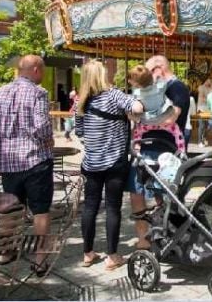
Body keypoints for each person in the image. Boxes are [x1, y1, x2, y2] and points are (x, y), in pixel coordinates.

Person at [0, 55, 54, 272]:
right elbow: (40, 127)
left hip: (8, 162)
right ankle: (40, 257)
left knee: (11, 209)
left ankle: (7, 251)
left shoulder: (0, 93)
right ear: (35, 69)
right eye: (42, 70)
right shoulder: (38, 93)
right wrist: (49, 139)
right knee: (40, 209)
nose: (42, 75)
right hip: (34, 160)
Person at [75, 59, 144, 271]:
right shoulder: (113, 94)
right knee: (113, 207)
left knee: (90, 207)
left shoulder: (81, 102)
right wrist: (132, 114)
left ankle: (88, 253)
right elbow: (137, 106)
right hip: (115, 161)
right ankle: (112, 256)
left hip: (91, 162)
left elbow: (80, 132)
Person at [128, 55, 191, 251]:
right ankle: (145, 238)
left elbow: (170, 118)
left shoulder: (176, 87)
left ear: (157, 69)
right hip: (146, 147)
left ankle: (171, 234)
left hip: (165, 149)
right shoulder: (149, 90)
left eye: (147, 73)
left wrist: (143, 120)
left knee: (163, 195)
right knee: (137, 192)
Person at [128, 65, 185, 154]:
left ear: (136, 84)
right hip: (163, 119)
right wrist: (157, 76)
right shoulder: (159, 87)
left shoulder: (136, 93)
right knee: (177, 132)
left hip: (146, 123)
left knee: (137, 133)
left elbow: (134, 108)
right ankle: (181, 150)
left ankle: (136, 149)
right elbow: (165, 81)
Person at [196, 78, 212, 147]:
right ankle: (200, 141)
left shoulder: (210, 88)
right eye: (209, 80)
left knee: (208, 125)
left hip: (208, 109)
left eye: (211, 81)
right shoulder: (201, 87)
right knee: (201, 125)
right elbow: (202, 97)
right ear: (206, 80)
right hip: (201, 109)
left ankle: (204, 138)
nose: (210, 82)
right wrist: (209, 99)